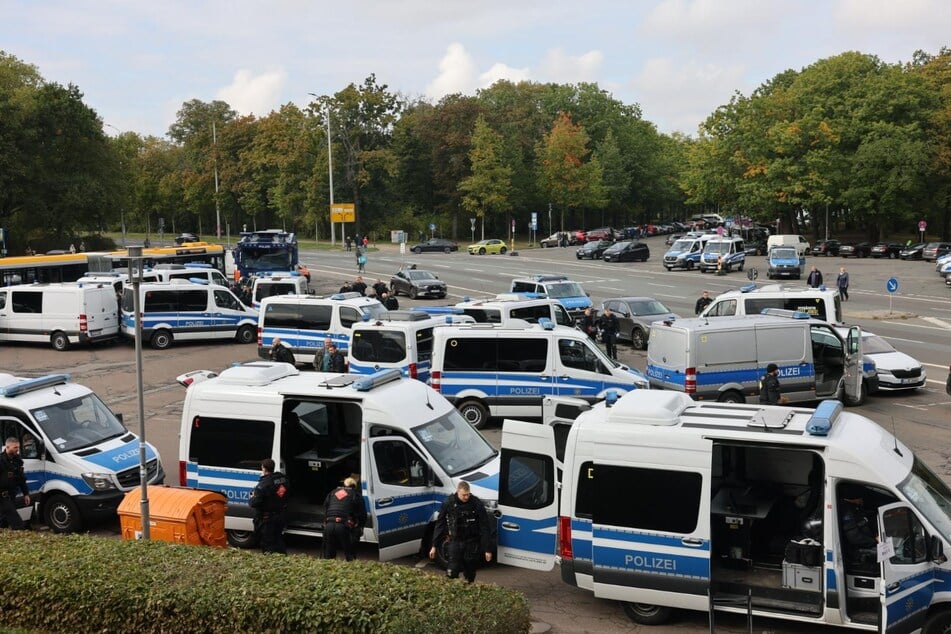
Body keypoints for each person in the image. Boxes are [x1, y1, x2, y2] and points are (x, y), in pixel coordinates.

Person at [429, 482, 493, 583]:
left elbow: (484, 527)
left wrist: (487, 549)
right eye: (464, 495)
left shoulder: (476, 503)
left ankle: (469, 589)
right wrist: (434, 546)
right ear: (458, 492)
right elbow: (440, 525)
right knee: (452, 571)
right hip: (455, 541)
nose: (466, 497)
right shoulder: (448, 503)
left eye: (468, 494)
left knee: (470, 572)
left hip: (472, 542)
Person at [248, 458, 288, 554]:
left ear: (264, 468)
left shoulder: (263, 485)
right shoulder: (283, 479)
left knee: (267, 544)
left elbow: (254, 503)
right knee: (278, 541)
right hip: (280, 514)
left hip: (268, 519)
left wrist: (252, 497)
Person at [323, 477, 366, 561]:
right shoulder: (356, 495)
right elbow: (362, 515)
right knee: (349, 555)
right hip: (344, 527)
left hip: (329, 525)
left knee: (328, 557)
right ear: (355, 486)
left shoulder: (332, 492)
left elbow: (326, 507)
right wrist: (359, 526)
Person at [0, 438, 31, 530]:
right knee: (17, 523)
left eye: (18, 447)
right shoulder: (1, 461)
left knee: (3, 522)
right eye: (15, 447)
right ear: (7, 447)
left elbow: (21, 479)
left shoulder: (17, 460)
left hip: (12, 494)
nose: (17, 449)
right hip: (2, 496)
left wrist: (26, 494)